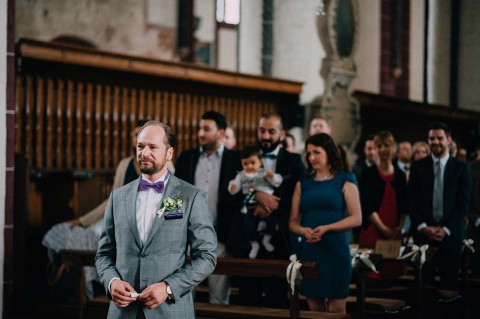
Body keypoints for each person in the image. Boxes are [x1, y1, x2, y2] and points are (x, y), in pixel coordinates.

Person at [95, 121, 216, 319]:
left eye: (153, 147)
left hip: (170, 310)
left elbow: (207, 257)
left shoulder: (191, 196)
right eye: (140, 147)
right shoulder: (118, 197)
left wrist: (168, 287)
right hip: (123, 312)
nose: (144, 153)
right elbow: (104, 254)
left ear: (169, 153)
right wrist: (112, 282)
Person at [42, 119, 151, 297]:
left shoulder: (163, 163)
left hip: (143, 224)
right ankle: (73, 275)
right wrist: (82, 221)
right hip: (118, 218)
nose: (138, 138)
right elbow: (112, 200)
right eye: (135, 134)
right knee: (79, 233)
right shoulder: (125, 164)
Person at [227, 112, 306, 308]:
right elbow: (230, 194)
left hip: (279, 240)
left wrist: (273, 205)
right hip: (248, 240)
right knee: (246, 299)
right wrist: (256, 196)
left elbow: (300, 195)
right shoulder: (242, 157)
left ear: (281, 133)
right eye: (262, 131)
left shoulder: (294, 161)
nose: (266, 136)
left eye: (271, 131)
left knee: (277, 300)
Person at [289, 133, 361, 314]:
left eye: (316, 152)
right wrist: (302, 231)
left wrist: (328, 228)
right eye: (309, 153)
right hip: (310, 250)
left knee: (337, 307)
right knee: (314, 309)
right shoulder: (303, 183)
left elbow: (357, 217)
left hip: (336, 250)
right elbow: (292, 221)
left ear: (329, 152)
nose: (311, 157)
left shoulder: (345, 179)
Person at [175, 111, 242, 304]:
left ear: (221, 133)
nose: (200, 133)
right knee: (183, 293)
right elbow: (176, 193)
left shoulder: (235, 159)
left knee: (219, 296)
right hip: (187, 235)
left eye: (206, 129)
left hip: (220, 235)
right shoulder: (187, 158)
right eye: (200, 128)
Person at [408, 122, 471, 295]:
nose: (435, 142)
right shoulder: (418, 167)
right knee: (423, 290)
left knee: (449, 287)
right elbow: (412, 201)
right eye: (431, 138)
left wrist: (446, 229)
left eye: (440, 138)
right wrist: (423, 226)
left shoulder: (461, 168)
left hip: (450, 237)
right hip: (423, 237)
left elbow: (463, 204)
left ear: (448, 141)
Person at [358, 131, 408, 280]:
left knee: (393, 275)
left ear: (393, 148)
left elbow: (404, 204)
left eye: (386, 145)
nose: (383, 149)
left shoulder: (400, 175)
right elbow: (367, 205)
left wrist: (399, 227)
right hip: (374, 229)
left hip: (394, 230)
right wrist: (383, 228)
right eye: (379, 146)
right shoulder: (368, 173)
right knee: (372, 275)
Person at [228, 146, 283, 259]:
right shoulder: (241, 175)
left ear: (260, 162)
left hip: (267, 205)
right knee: (249, 226)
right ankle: (254, 245)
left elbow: (278, 181)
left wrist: (273, 177)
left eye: (253, 162)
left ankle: (266, 240)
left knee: (271, 222)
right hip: (250, 205)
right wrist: (232, 187)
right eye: (245, 163)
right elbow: (235, 187)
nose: (249, 166)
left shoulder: (264, 173)